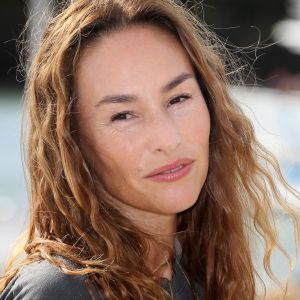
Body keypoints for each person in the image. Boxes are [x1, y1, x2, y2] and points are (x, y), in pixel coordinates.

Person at [0, 0, 299, 299]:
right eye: (123, 115)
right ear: (72, 143)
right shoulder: (60, 291)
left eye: (178, 99)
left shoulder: (197, 273)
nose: (167, 139)